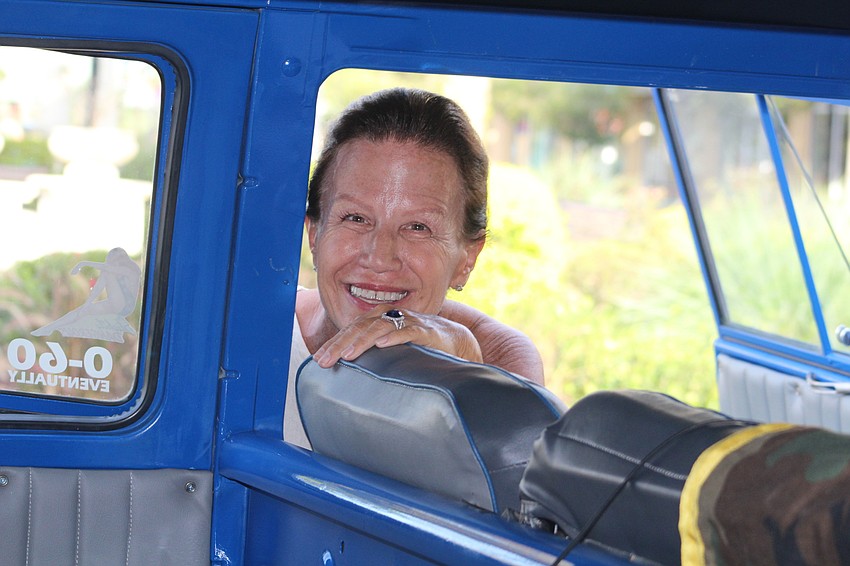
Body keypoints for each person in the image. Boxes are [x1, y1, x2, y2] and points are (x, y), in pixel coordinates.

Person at [286, 87, 545, 447]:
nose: (379, 257)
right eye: (356, 218)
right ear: (315, 233)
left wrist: (463, 370)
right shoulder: (254, 332)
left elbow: (512, 486)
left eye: (418, 227)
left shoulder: (498, 357)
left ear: (466, 258)